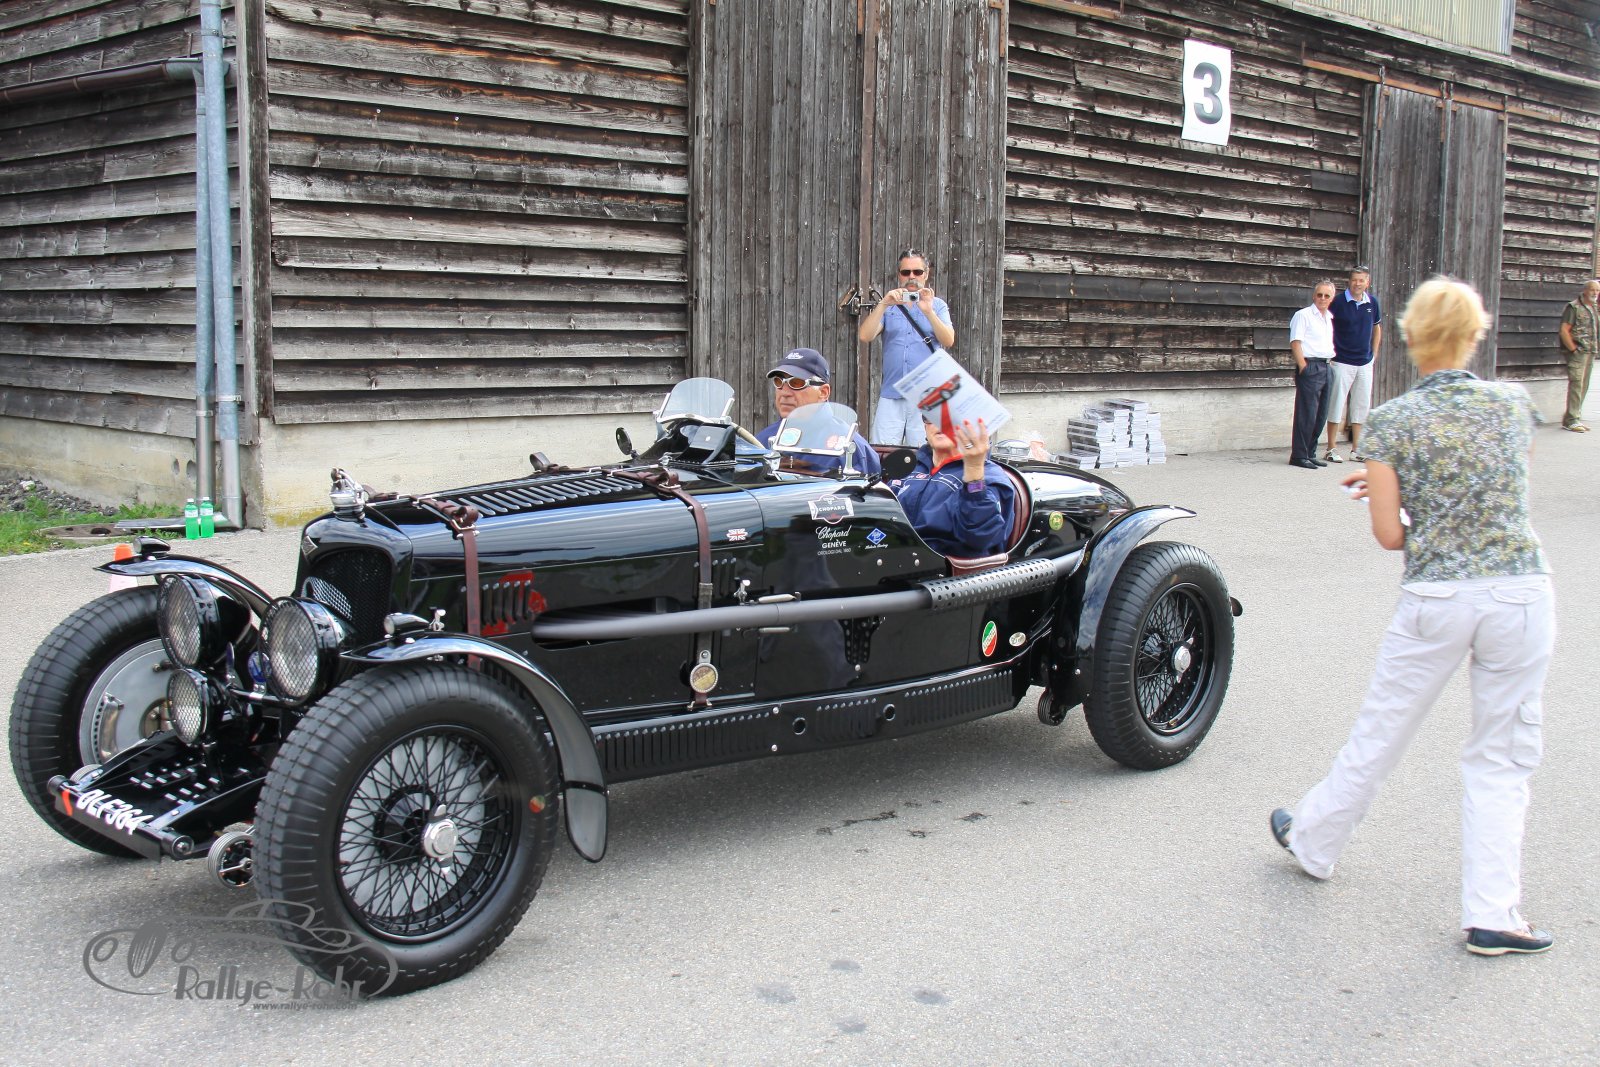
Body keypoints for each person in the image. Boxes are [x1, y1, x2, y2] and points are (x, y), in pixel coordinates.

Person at [1270, 277, 1555, 957]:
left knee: (1382, 728)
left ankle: (1315, 840)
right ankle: (1493, 911)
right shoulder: (1515, 405)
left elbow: (1391, 535)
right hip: (1518, 590)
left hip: (1438, 595)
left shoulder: (1394, 421)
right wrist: (1414, 489)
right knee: (1502, 754)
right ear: (1476, 334)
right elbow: (1499, 493)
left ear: (1408, 336)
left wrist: (1393, 491)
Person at [856, 248, 956, 447]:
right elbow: (865, 336)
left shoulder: (937, 305)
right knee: (883, 452)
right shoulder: (889, 306)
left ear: (926, 274)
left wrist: (928, 312)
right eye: (906, 272)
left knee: (924, 452)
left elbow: (948, 340)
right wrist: (883, 304)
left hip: (927, 395)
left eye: (917, 272)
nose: (912, 277)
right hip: (892, 392)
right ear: (899, 275)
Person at [890, 415, 1015, 558]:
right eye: (932, 414)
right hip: (890, 557)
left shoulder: (991, 477)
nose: (940, 422)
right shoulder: (909, 466)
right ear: (925, 426)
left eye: (950, 416)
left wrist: (974, 472)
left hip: (945, 567)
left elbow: (980, 536)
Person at [756, 348, 880, 477]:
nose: (785, 392)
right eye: (779, 382)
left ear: (823, 392)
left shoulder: (849, 447)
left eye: (796, 383)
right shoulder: (762, 440)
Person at [1325, 266, 1383, 462]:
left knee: (1361, 405)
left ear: (1367, 282)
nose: (1358, 284)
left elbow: (1377, 328)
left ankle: (1357, 449)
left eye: (1361, 280)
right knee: (1336, 403)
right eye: (1354, 280)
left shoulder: (1372, 303)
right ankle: (1331, 448)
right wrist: (1330, 353)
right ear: (1349, 282)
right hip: (1341, 361)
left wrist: (1373, 354)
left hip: (1364, 362)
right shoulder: (1338, 302)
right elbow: (1327, 326)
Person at [1287, 281, 1337, 469]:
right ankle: (1299, 455)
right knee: (1307, 412)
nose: (1322, 298)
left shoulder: (1328, 318)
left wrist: (1329, 365)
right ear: (1314, 296)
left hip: (1326, 366)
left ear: (1332, 298)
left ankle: (1310, 452)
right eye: (1319, 295)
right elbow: (1295, 342)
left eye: (1327, 296)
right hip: (1311, 366)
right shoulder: (1303, 315)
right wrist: (1303, 366)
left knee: (1321, 413)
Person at [1556, 278, 1598, 432]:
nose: (1595, 293)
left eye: (1597, 290)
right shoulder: (1573, 307)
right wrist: (1573, 349)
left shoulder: (1593, 308)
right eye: (1592, 290)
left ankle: (1573, 418)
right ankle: (1572, 420)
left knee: (1583, 386)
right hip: (1577, 353)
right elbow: (1564, 331)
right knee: (1576, 384)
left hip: (1590, 352)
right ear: (1585, 291)